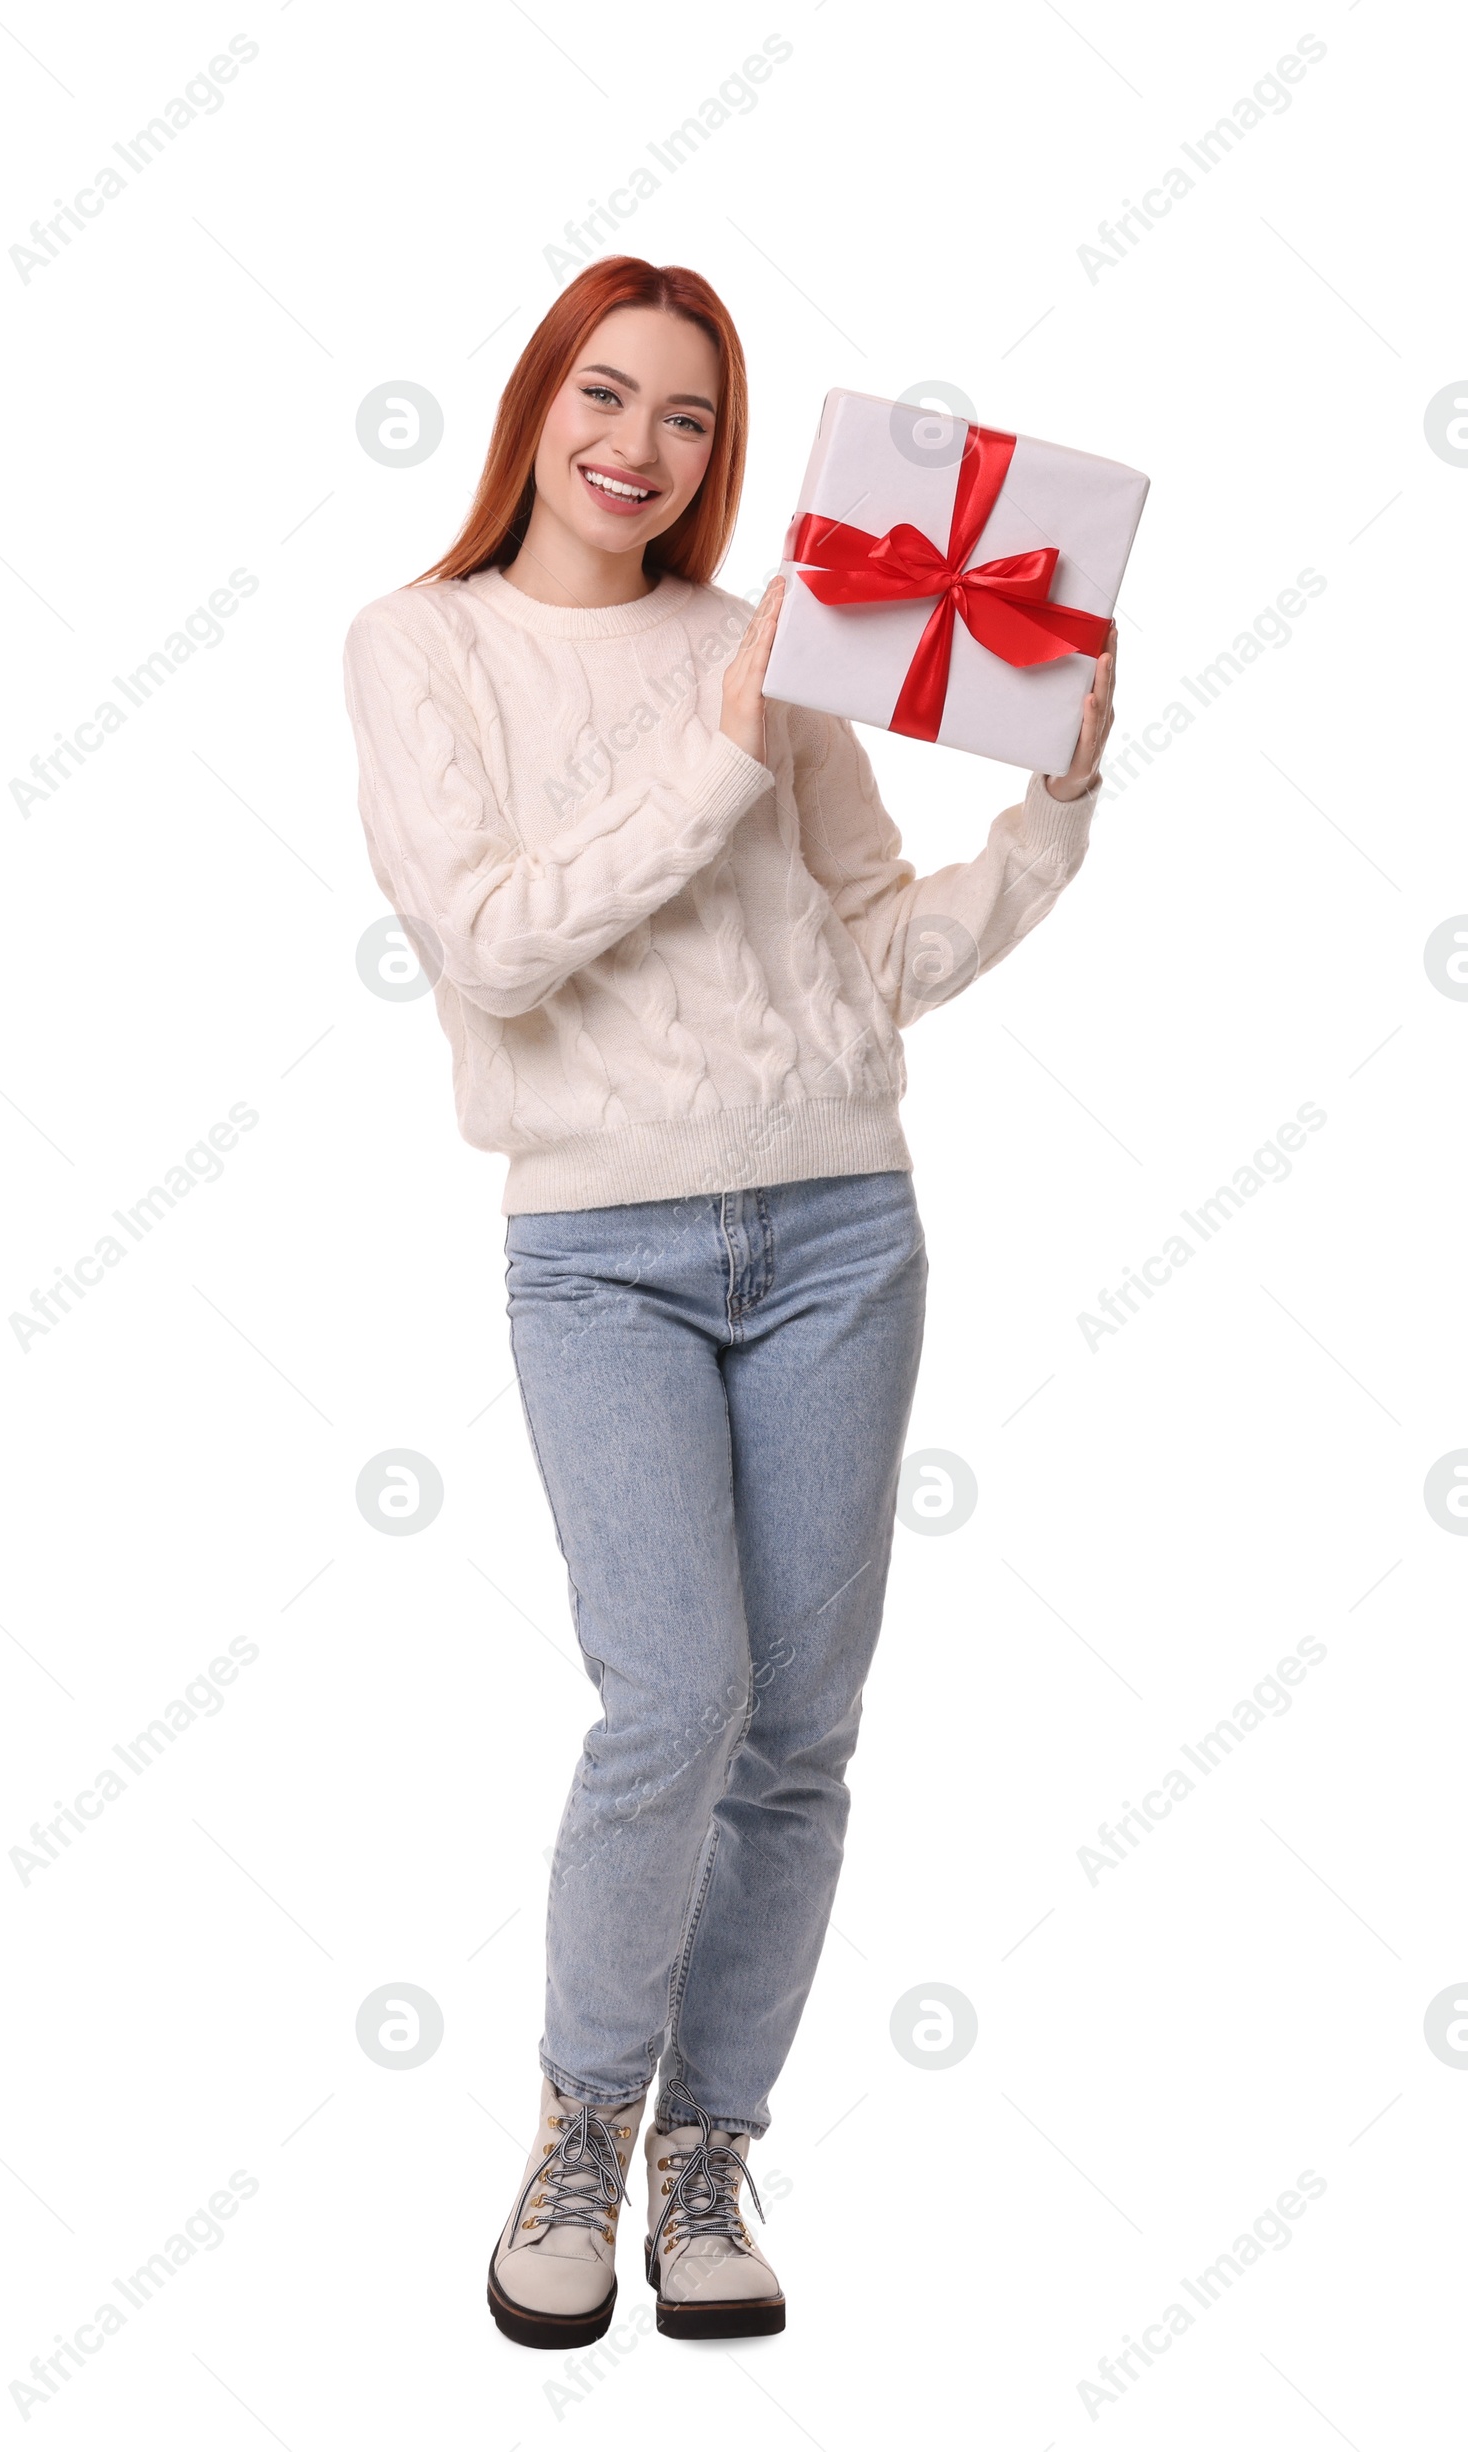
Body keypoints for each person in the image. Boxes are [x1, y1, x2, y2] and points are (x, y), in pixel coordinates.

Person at [342, 256, 1116, 2350]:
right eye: (606, 394)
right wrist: (704, 754)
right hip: (596, 1244)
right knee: (670, 1694)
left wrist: (1050, 814)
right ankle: (578, 2121)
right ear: (533, 403)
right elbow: (492, 946)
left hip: (841, 1227)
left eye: (688, 416)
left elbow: (869, 946)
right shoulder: (419, 644)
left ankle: (710, 2145)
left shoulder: (767, 645)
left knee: (797, 1727)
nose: (639, 446)